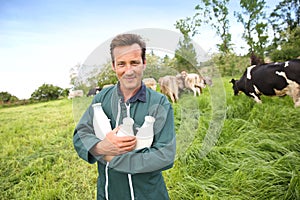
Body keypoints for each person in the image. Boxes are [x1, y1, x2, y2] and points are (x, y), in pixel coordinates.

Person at [73, 33, 176, 200]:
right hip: (109, 193)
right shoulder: (101, 99)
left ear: (144, 63)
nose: (128, 71)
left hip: (149, 195)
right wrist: (101, 147)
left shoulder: (160, 103)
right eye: (121, 64)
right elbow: (80, 135)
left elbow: (165, 155)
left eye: (134, 63)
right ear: (114, 66)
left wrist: (112, 158)